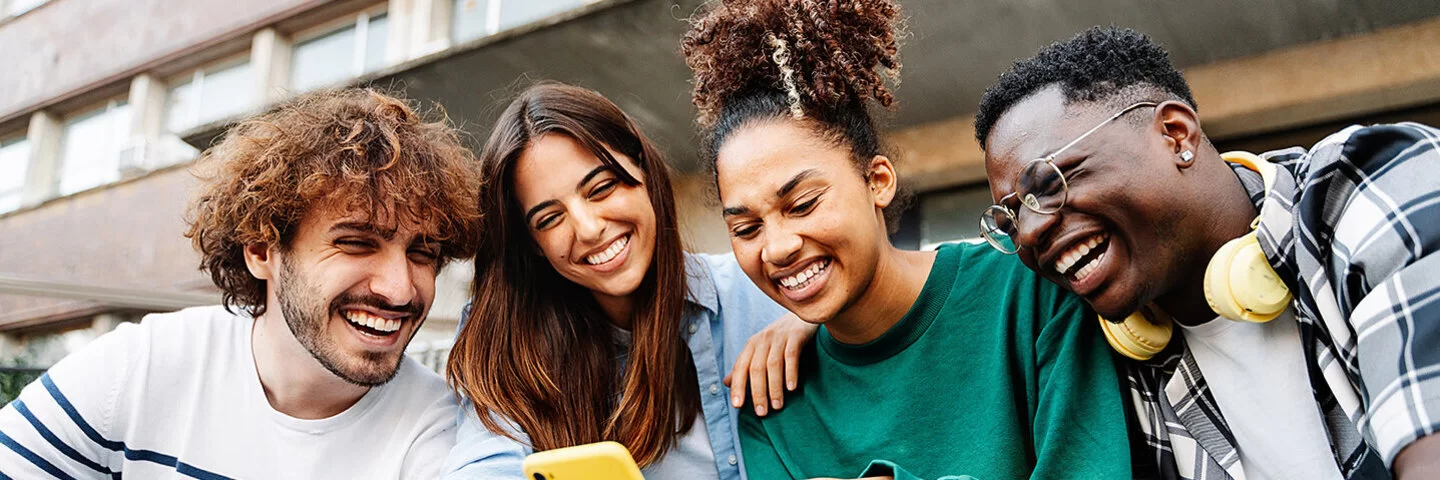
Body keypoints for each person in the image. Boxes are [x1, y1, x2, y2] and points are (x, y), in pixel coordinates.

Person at [681, 1, 1132, 479]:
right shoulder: (771, 404)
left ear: (877, 180)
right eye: (746, 228)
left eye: (803, 204)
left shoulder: (1028, 290)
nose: (776, 248)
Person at [975, 27, 1440, 480]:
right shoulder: (1119, 363)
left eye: (1050, 182)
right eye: (1010, 219)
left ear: (1176, 135)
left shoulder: (1366, 185)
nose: (1031, 233)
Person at [0, 89, 481, 478]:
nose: (399, 289)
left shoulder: (436, 432)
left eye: (423, 253)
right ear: (261, 251)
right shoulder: (147, 364)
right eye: (356, 243)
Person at [442, 82, 809, 480]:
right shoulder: (508, 339)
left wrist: (816, 319)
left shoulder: (759, 294)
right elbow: (484, 465)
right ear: (534, 245)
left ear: (643, 171)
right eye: (549, 218)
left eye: (601, 188)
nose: (588, 229)